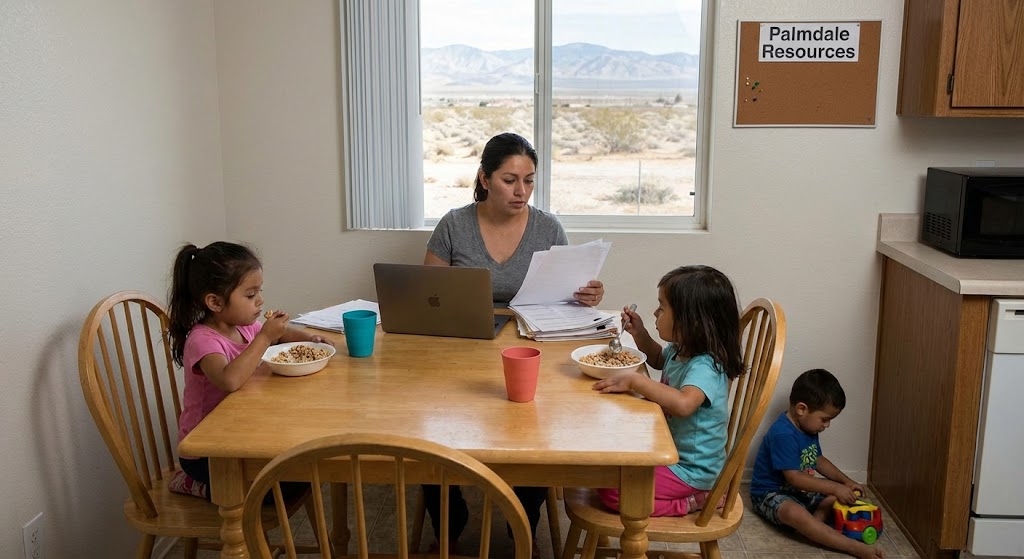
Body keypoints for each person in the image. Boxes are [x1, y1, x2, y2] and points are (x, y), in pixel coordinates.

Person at [421, 132, 605, 552]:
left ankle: (521, 520)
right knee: (428, 427)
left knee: (538, 431)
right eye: (509, 180)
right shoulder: (454, 224)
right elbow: (426, 296)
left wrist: (588, 295)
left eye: (529, 180)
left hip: (528, 346)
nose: (521, 191)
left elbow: (571, 295)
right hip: (462, 345)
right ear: (484, 178)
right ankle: (449, 523)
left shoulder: (548, 226)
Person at [168, 241, 334, 494]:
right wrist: (265, 337)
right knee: (283, 490)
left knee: (303, 473)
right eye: (250, 295)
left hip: (241, 430)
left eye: (259, 292)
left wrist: (309, 339)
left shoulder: (244, 326)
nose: (260, 301)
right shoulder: (203, 341)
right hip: (206, 452)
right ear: (215, 302)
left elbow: (281, 335)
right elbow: (229, 380)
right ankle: (194, 484)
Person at [593, 264, 743, 517]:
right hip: (667, 448)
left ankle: (689, 503)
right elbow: (658, 359)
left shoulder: (706, 366)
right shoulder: (681, 349)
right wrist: (639, 333)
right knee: (608, 459)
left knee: (612, 490)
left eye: (662, 308)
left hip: (690, 469)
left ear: (691, 321)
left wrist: (636, 381)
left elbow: (685, 404)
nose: (655, 312)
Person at [749, 369, 885, 559]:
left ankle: (813, 528)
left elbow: (818, 460)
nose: (826, 425)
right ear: (802, 409)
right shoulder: (783, 434)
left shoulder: (807, 428)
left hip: (798, 491)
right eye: (825, 419)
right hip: (771, 494)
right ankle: (853, 547)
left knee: (833, 498)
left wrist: (846, 482)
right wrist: (834, 487)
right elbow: (794, 478)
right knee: (794, 513)